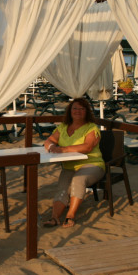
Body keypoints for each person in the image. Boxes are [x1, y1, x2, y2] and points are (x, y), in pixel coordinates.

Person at [42, 97, 105, 228]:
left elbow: (87, 147)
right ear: (70, 111)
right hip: (70, 165)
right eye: (75, 108)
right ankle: (54, 218)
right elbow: (49, 141)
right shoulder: (63, 127)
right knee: (62, 187)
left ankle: (70, 216)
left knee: (78, 179)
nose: (78, 111)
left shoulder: (91, 128)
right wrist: (52, 147)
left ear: (87, 112)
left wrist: (63, 149)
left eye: (82, 109)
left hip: (92, 164)